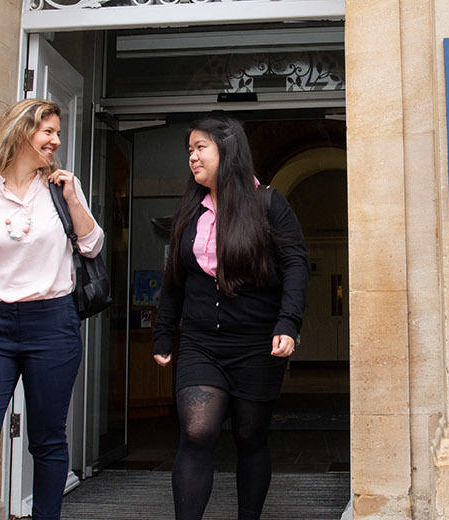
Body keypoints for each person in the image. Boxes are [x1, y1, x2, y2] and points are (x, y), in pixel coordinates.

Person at [0, 98, 103, 520]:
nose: (56, 140)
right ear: (22, 131)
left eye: (57, 132)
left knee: (47, 440)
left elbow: (92, 244)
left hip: (53, 322)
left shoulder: (62, 187)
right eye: (48, 131)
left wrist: (73, 199)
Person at [152, 114, 309, 520]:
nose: (193, 157)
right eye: (189, 149)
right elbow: (175, 278)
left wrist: (288, 323)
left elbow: (295, 264)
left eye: (201, 147)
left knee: (250, 436)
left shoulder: (269, 204)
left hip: (257, 343)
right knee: (197, 432)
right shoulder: (191, 209)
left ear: (228, 151)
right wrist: (164, 333)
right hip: (202, 342)